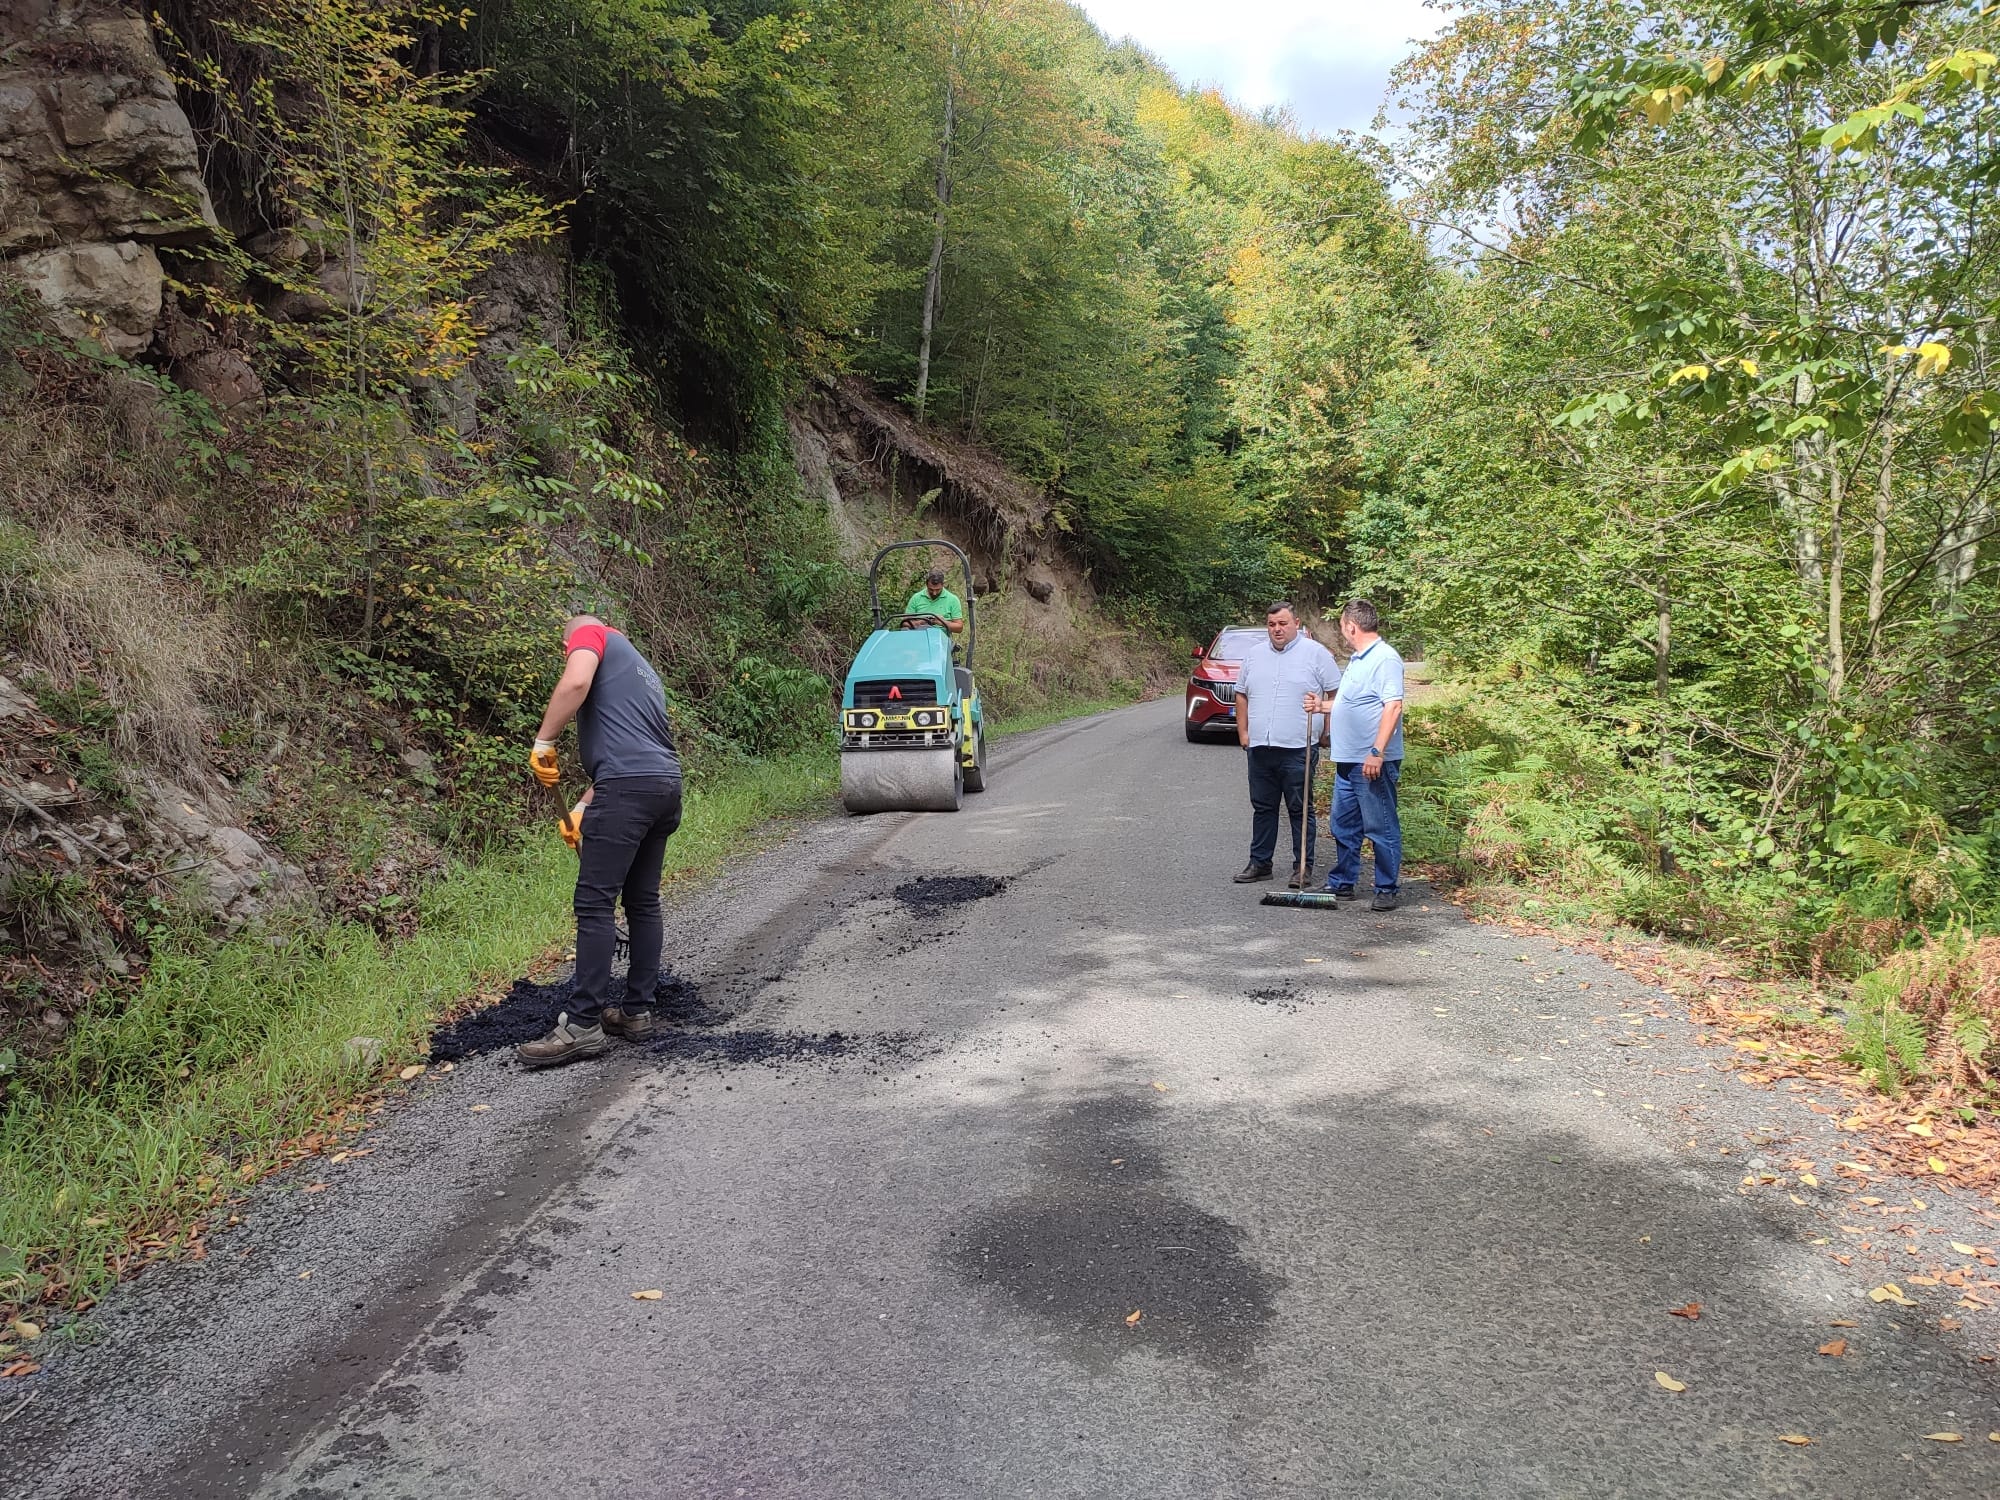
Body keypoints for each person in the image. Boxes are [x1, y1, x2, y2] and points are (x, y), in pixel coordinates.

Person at [520, 614, 683, 1067]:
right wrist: (583, 807)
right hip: (662, 786)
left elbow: (574, 684)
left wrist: (543, 741)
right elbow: (634, 749)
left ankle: (582, 1025)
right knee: (643, 902)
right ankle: (635, 1012)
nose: (570, 653)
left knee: (594, 903)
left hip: (628, 789)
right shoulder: (642, 671)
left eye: (565, 648)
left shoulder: (591, 635)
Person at [1305, 599, 1406, 911]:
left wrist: (1377, 752)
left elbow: (1393, 706)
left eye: (1342, 627)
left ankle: (1386, 887)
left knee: (1380, 825)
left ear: (1351, 626)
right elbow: (1353, 703)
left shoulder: (1385, 659)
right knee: (1343, 823)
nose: (1342, 632)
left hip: (1371, 760)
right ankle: (1343, 881)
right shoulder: (1359, 659)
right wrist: (1321, 706)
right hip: (1348, 760)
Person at [1234, 601, 1340, 888]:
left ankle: (1302, 867)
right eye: (1272, 625)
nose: (1277, 629)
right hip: (1260, 746)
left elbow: (1335, 691)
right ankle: (1260, 863)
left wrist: (1327, 730)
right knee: (1263, 807)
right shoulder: (1254, 655)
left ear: (1296, 622)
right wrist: (1243, 733)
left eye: (1282, 623)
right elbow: (1241, 694)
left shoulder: (1316, 654)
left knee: (1299, 808)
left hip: (1299, 747)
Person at [904, 568, 966, 635]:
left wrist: (942, 622)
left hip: (942, 640)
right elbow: (905, 623)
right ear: (926, 585)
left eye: (938, 590)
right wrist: (918, 623)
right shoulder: (916, 598)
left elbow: (959, 628)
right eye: (931, 590)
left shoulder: (953, 600)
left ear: (942, 585)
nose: (934, 593)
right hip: (919, 637)